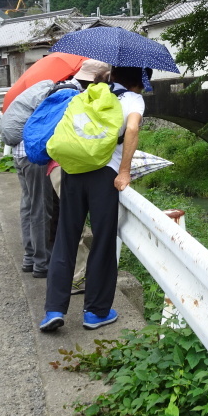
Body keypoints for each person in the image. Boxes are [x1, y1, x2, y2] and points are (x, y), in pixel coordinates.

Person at [40, 66, 151, 332]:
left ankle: (54, 309)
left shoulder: (91, 92)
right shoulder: (133, 99)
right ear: (140, 81)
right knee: (103, 240)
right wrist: (124, 171)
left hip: (73, 170)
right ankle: (96, 312)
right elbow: (132, 129)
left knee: (66, 237)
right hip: (104, 175)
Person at [8, 59, 111, 278]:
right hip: (34, 156)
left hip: (20, 151)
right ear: (95, 81)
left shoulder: (57, 88)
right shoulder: (72, 96)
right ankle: (42, 262)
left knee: (28, 205)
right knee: (41, 209)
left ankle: (30, 257)